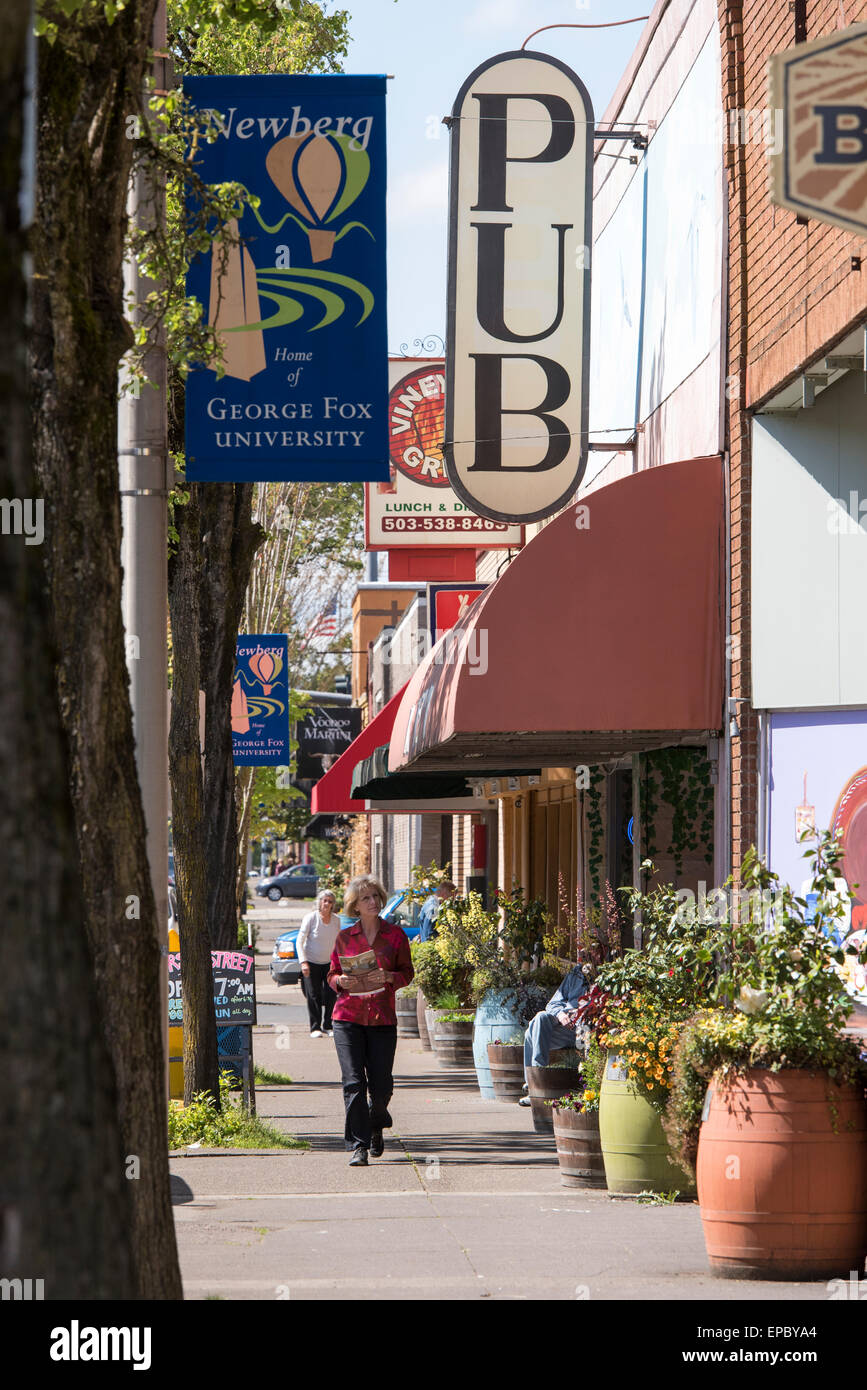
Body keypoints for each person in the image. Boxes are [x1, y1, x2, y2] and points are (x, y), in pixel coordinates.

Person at [328, 874, 414, 1167]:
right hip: (347, 1017)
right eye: (366, 898)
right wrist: (340, 979)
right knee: (354, 1082)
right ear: (355, 905)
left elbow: (407, 972)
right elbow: (331, 975)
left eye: (376, 896)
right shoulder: (344, 938)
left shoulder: (395, 936)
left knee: (381, 1086)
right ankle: (358, 1146)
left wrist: (390, 977)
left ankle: (376, 1120)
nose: (373, 902)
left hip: (382, 1018)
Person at [519, 965, 588, 1105]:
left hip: (582, 1029)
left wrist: (577, 1016)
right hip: (563, 1025)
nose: (581, 953)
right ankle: (537, 1082)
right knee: (540, 1018)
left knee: (529, 1034)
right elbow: (553, 1004)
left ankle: (535, 1087)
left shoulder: (601, 975)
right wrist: (561, 1014)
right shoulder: (576, 973)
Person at [297, 889, 340, 1038]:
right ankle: (315, 1027)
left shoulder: (336, 920)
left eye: (330, 901)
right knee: (313, 995)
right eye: (325, 900)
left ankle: (328, 1025)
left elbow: (338, 943)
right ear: (319, 902)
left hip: (329, 963)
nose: (327, 904)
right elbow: (300, 941)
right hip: (311, 962)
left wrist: (338, 962)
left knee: (331, 994)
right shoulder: (311, 918)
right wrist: (303, 962)